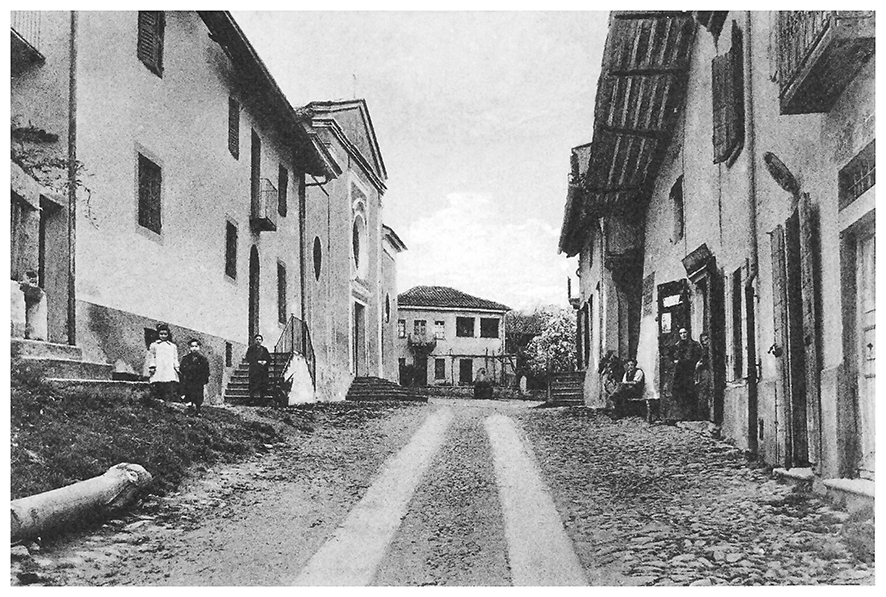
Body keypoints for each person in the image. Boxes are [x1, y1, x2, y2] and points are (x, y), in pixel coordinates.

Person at [668, 327, 702, 422]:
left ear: (688, 333)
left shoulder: (695, 345)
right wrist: (674, 361)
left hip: (690, 372)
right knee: (679, 392)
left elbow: (696, 358)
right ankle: (681, 415)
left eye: (685, 332)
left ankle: (692, 415)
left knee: (690, 392)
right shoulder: (677, 346)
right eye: (681, 333)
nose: (683, 335)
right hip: (680, 373)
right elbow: (670, 356)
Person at [146, 323, 179, 402]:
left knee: (169, 382)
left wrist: (176, 367)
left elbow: (175, 358)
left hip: (169, 367)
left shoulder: (172, 346)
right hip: (159, 366)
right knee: (159, 381)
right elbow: (152, 356)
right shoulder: (154, 345)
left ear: (168, 335)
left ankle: (168, 400)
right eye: (161, 334)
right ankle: (158, 399)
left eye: (165, 334)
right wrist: (152, 366)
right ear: (158, 334)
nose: (163, 336)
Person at [180, 338, 210, 416]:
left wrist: (204, 380)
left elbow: (206, 370)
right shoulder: (186, 358)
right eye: (192, 346)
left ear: (199, 347)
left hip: (198, 380)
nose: (194, 348)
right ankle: (190, 409)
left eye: (196, 346)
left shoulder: (203, 359)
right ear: (189, 348)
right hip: (189, 380)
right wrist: (187, 373)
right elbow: (182, 368)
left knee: (198, 395)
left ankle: (198, 409)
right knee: (189, 393)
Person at [245, 334, 271, 405]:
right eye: (257, 339)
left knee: (263, 385)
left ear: (262, 341)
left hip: (263, 370)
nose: (258, 341)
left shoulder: (264, 349)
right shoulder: (251, 349)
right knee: (253, 384)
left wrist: (265, 362)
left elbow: (269, 358)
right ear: (254, 340)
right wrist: (257, 362)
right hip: (254, 370)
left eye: (260, 339)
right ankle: (252, 399)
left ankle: (262, 400)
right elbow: (248, 358)